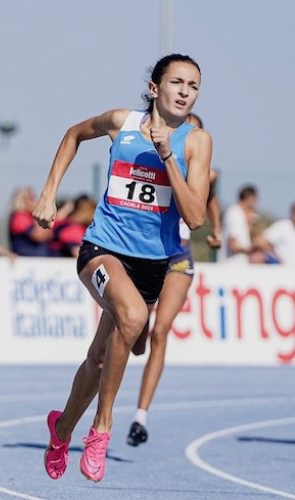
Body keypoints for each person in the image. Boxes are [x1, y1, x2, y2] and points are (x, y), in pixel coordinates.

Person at [33, 54, 211, 482]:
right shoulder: (121, 122)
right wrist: (48, 193)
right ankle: (102, 428)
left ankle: (60, 429)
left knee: (98, 359)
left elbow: (196, 218)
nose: (185, 91)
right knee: (132, 317)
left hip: (152, 264)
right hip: (102, 247)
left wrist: (168, 157)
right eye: (177, 82)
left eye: (194, 86)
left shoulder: (196, 142)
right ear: (155, 88)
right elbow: (74, 134)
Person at [126, 113, 222, 447]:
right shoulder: (156, 159)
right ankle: (140, 328)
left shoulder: (199, 167)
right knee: (139, 337)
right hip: (148, 253)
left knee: (161, 332)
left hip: (178, 258)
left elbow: (210, 200)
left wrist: (217, 231)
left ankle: (141, 416)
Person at [218, 185, 259, 263]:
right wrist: (252, 249)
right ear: (250, 199)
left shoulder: (241, 215)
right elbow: (232, 245)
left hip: (239, 268)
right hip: (232, 267)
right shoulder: (235, 213)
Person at [8, 186, 53, 256]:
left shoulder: (28, 217)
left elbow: (50, 233)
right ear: (22, 200)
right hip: (26, 259)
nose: (36, 201)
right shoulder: (19, 217)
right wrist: (37, 215)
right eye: (32, 198)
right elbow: (38, 236)